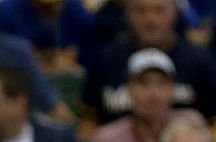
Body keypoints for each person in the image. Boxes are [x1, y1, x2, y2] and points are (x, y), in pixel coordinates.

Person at [82, 0, 216, 128]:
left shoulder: (199, 61)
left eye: (159, 10)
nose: (150, 19)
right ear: (127, 14)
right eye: (141, 10)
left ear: (175, 13)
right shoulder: (106, 59)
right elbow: (88, 119)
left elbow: (212, 121)